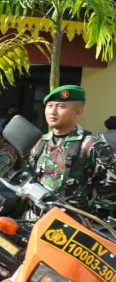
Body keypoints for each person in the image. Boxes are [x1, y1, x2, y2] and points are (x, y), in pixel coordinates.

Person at [26, 86, 116, 215]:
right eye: (50, 106)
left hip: (70, 226)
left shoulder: (90, 145)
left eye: (61, 106)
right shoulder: (39, 142)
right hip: (33, 220)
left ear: (78, 112)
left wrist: (95, 219)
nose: (53, 112)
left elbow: (110, 186)